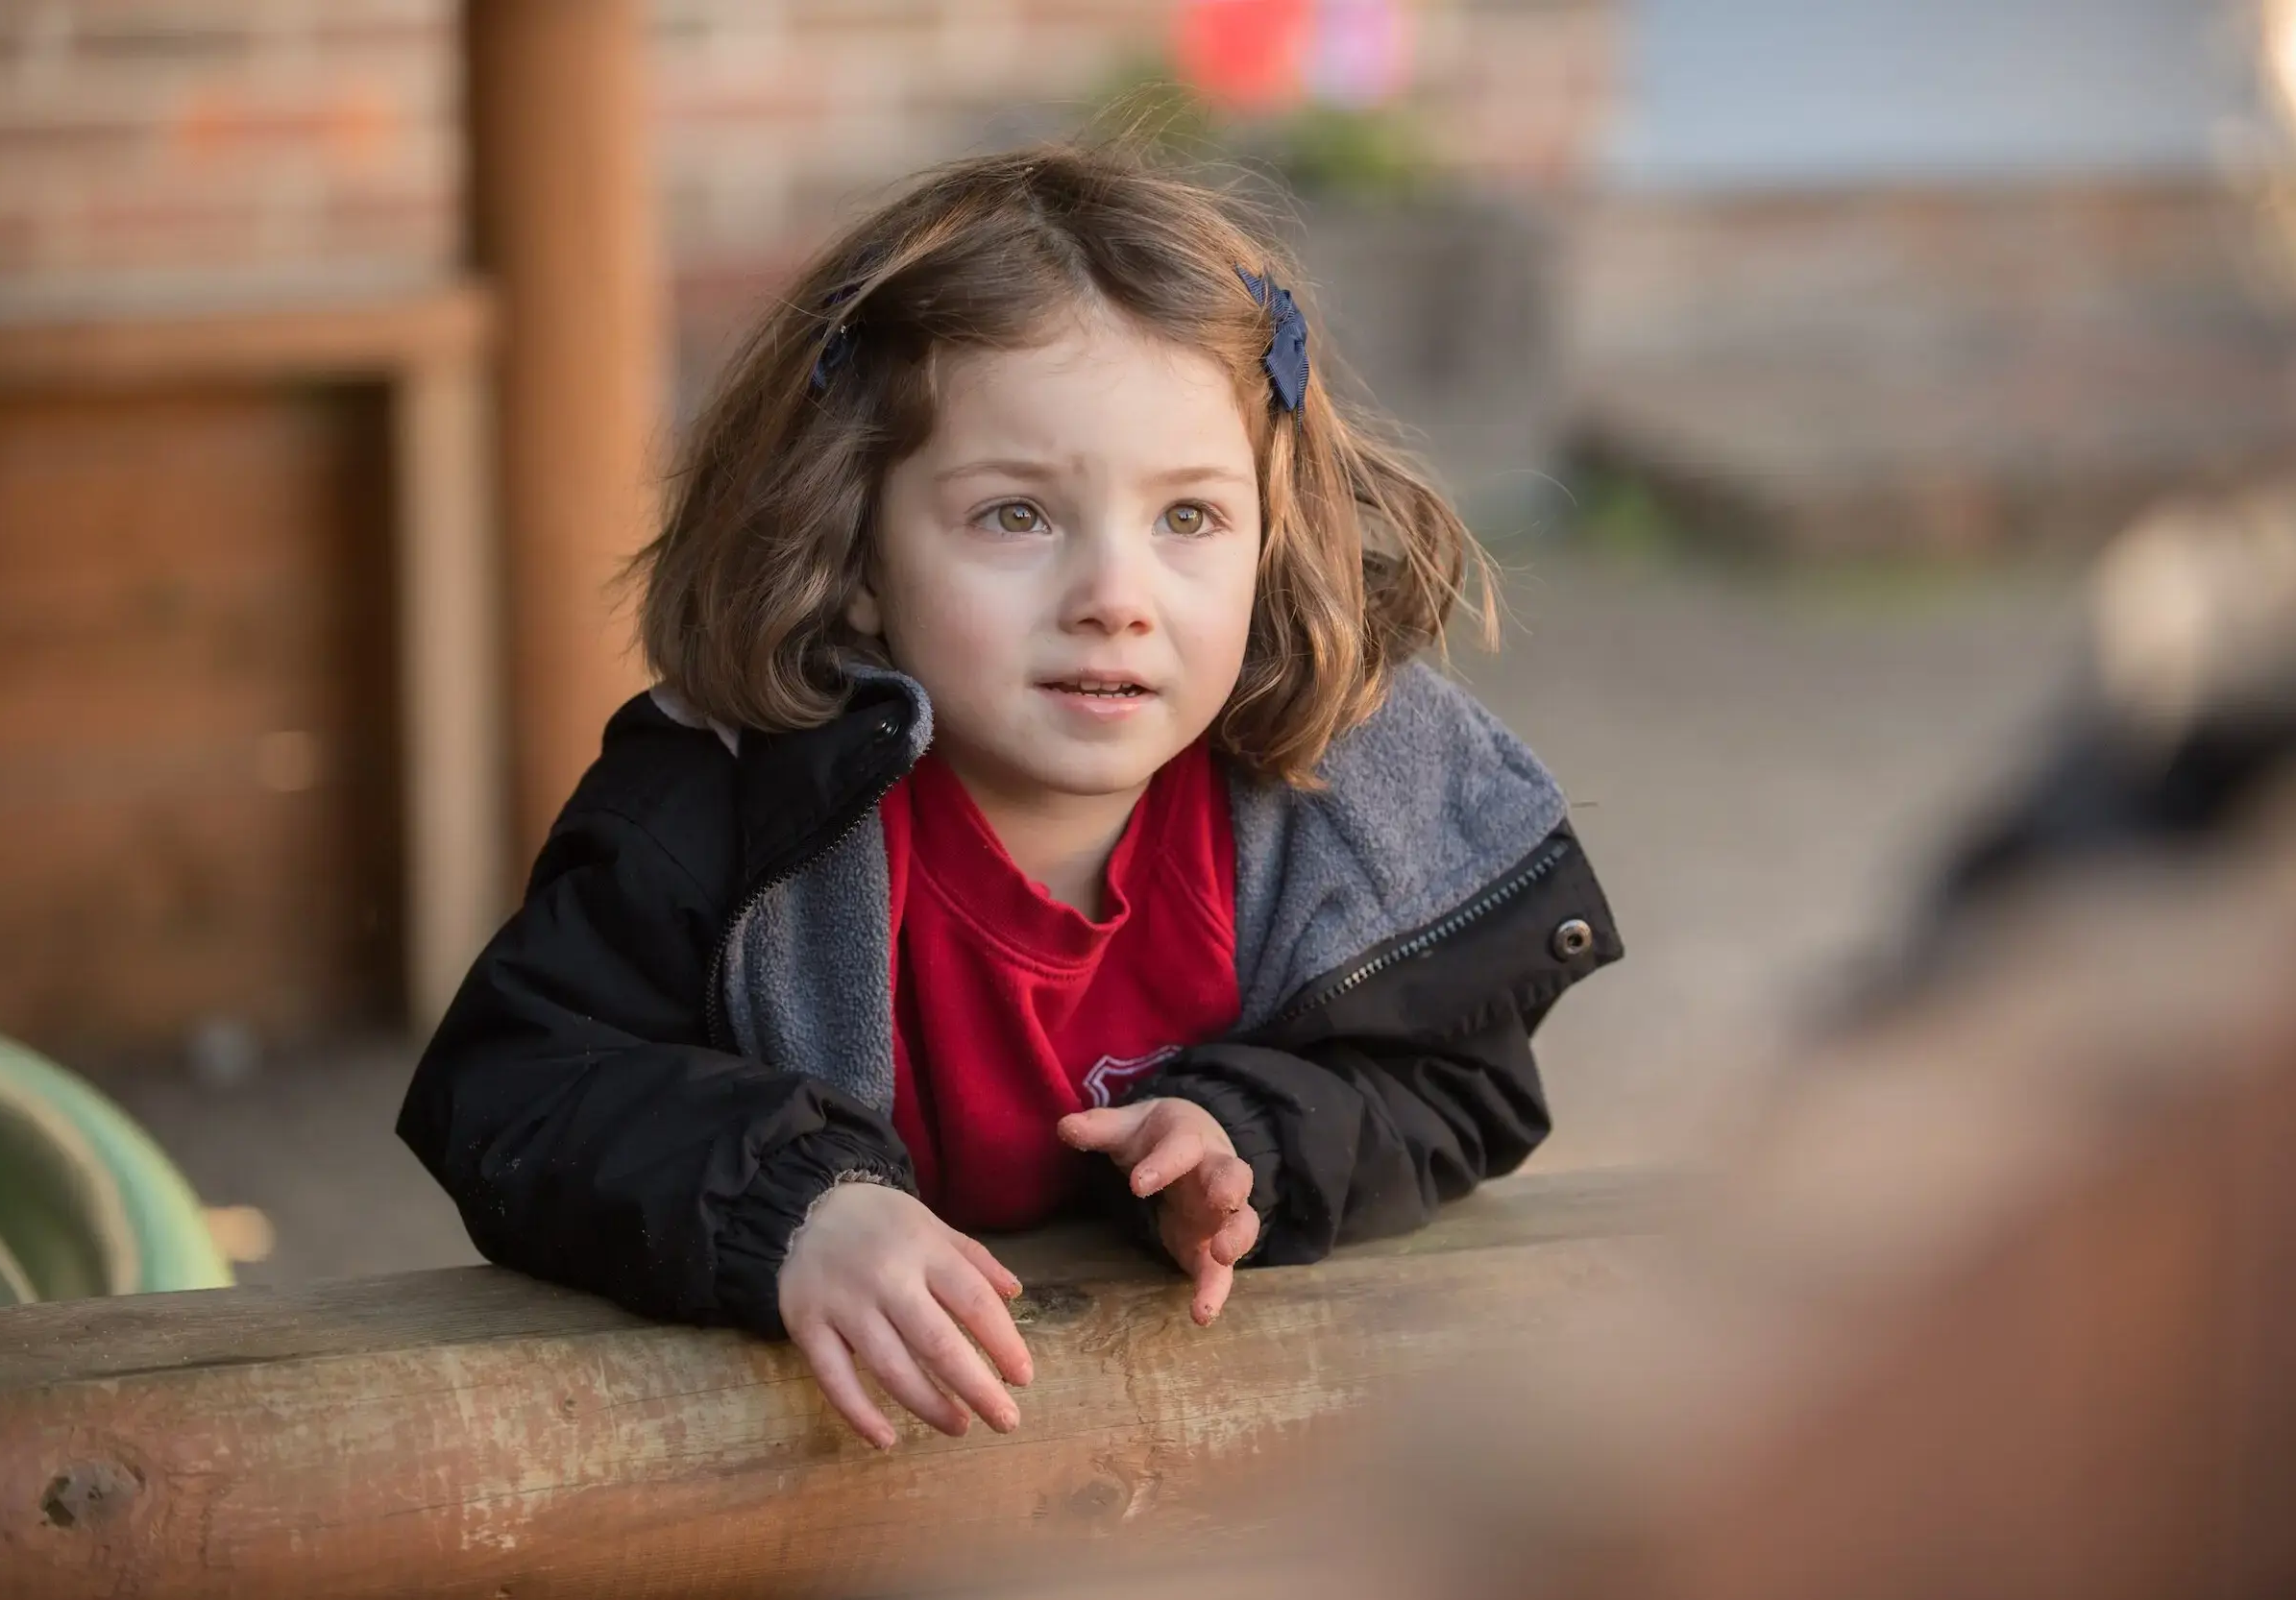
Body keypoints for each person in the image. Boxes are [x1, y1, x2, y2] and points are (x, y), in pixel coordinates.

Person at [398, 144, 1622, 1449]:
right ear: (855, 553)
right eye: (1016, 517)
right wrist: (793, 1207)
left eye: (1190, 519)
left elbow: (1462, 1086)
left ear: (1274, 538)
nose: (1115, 593)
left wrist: (1251, 1132)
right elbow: (514, 1085)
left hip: (1172, 1484)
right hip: (805, 1484)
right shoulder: (722, 805)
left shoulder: (1341, 806)